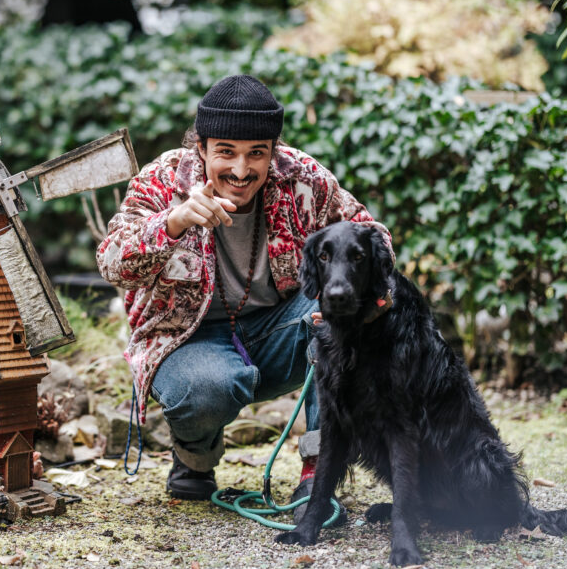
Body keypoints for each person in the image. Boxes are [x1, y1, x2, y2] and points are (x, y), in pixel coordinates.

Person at [97, 75, 392, 501]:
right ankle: (194, 459)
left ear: (273, 152)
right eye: (225, 153)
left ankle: (319, 473)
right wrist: (173, 222)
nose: (240, 170)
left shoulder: (303, 178)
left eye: (257, 154)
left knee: (339, 309)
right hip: (186, 340)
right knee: (207, 389)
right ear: (200, 148)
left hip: (281, 329)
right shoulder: (162, 179)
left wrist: (372, 290)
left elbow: (372, 234)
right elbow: (111, 261)